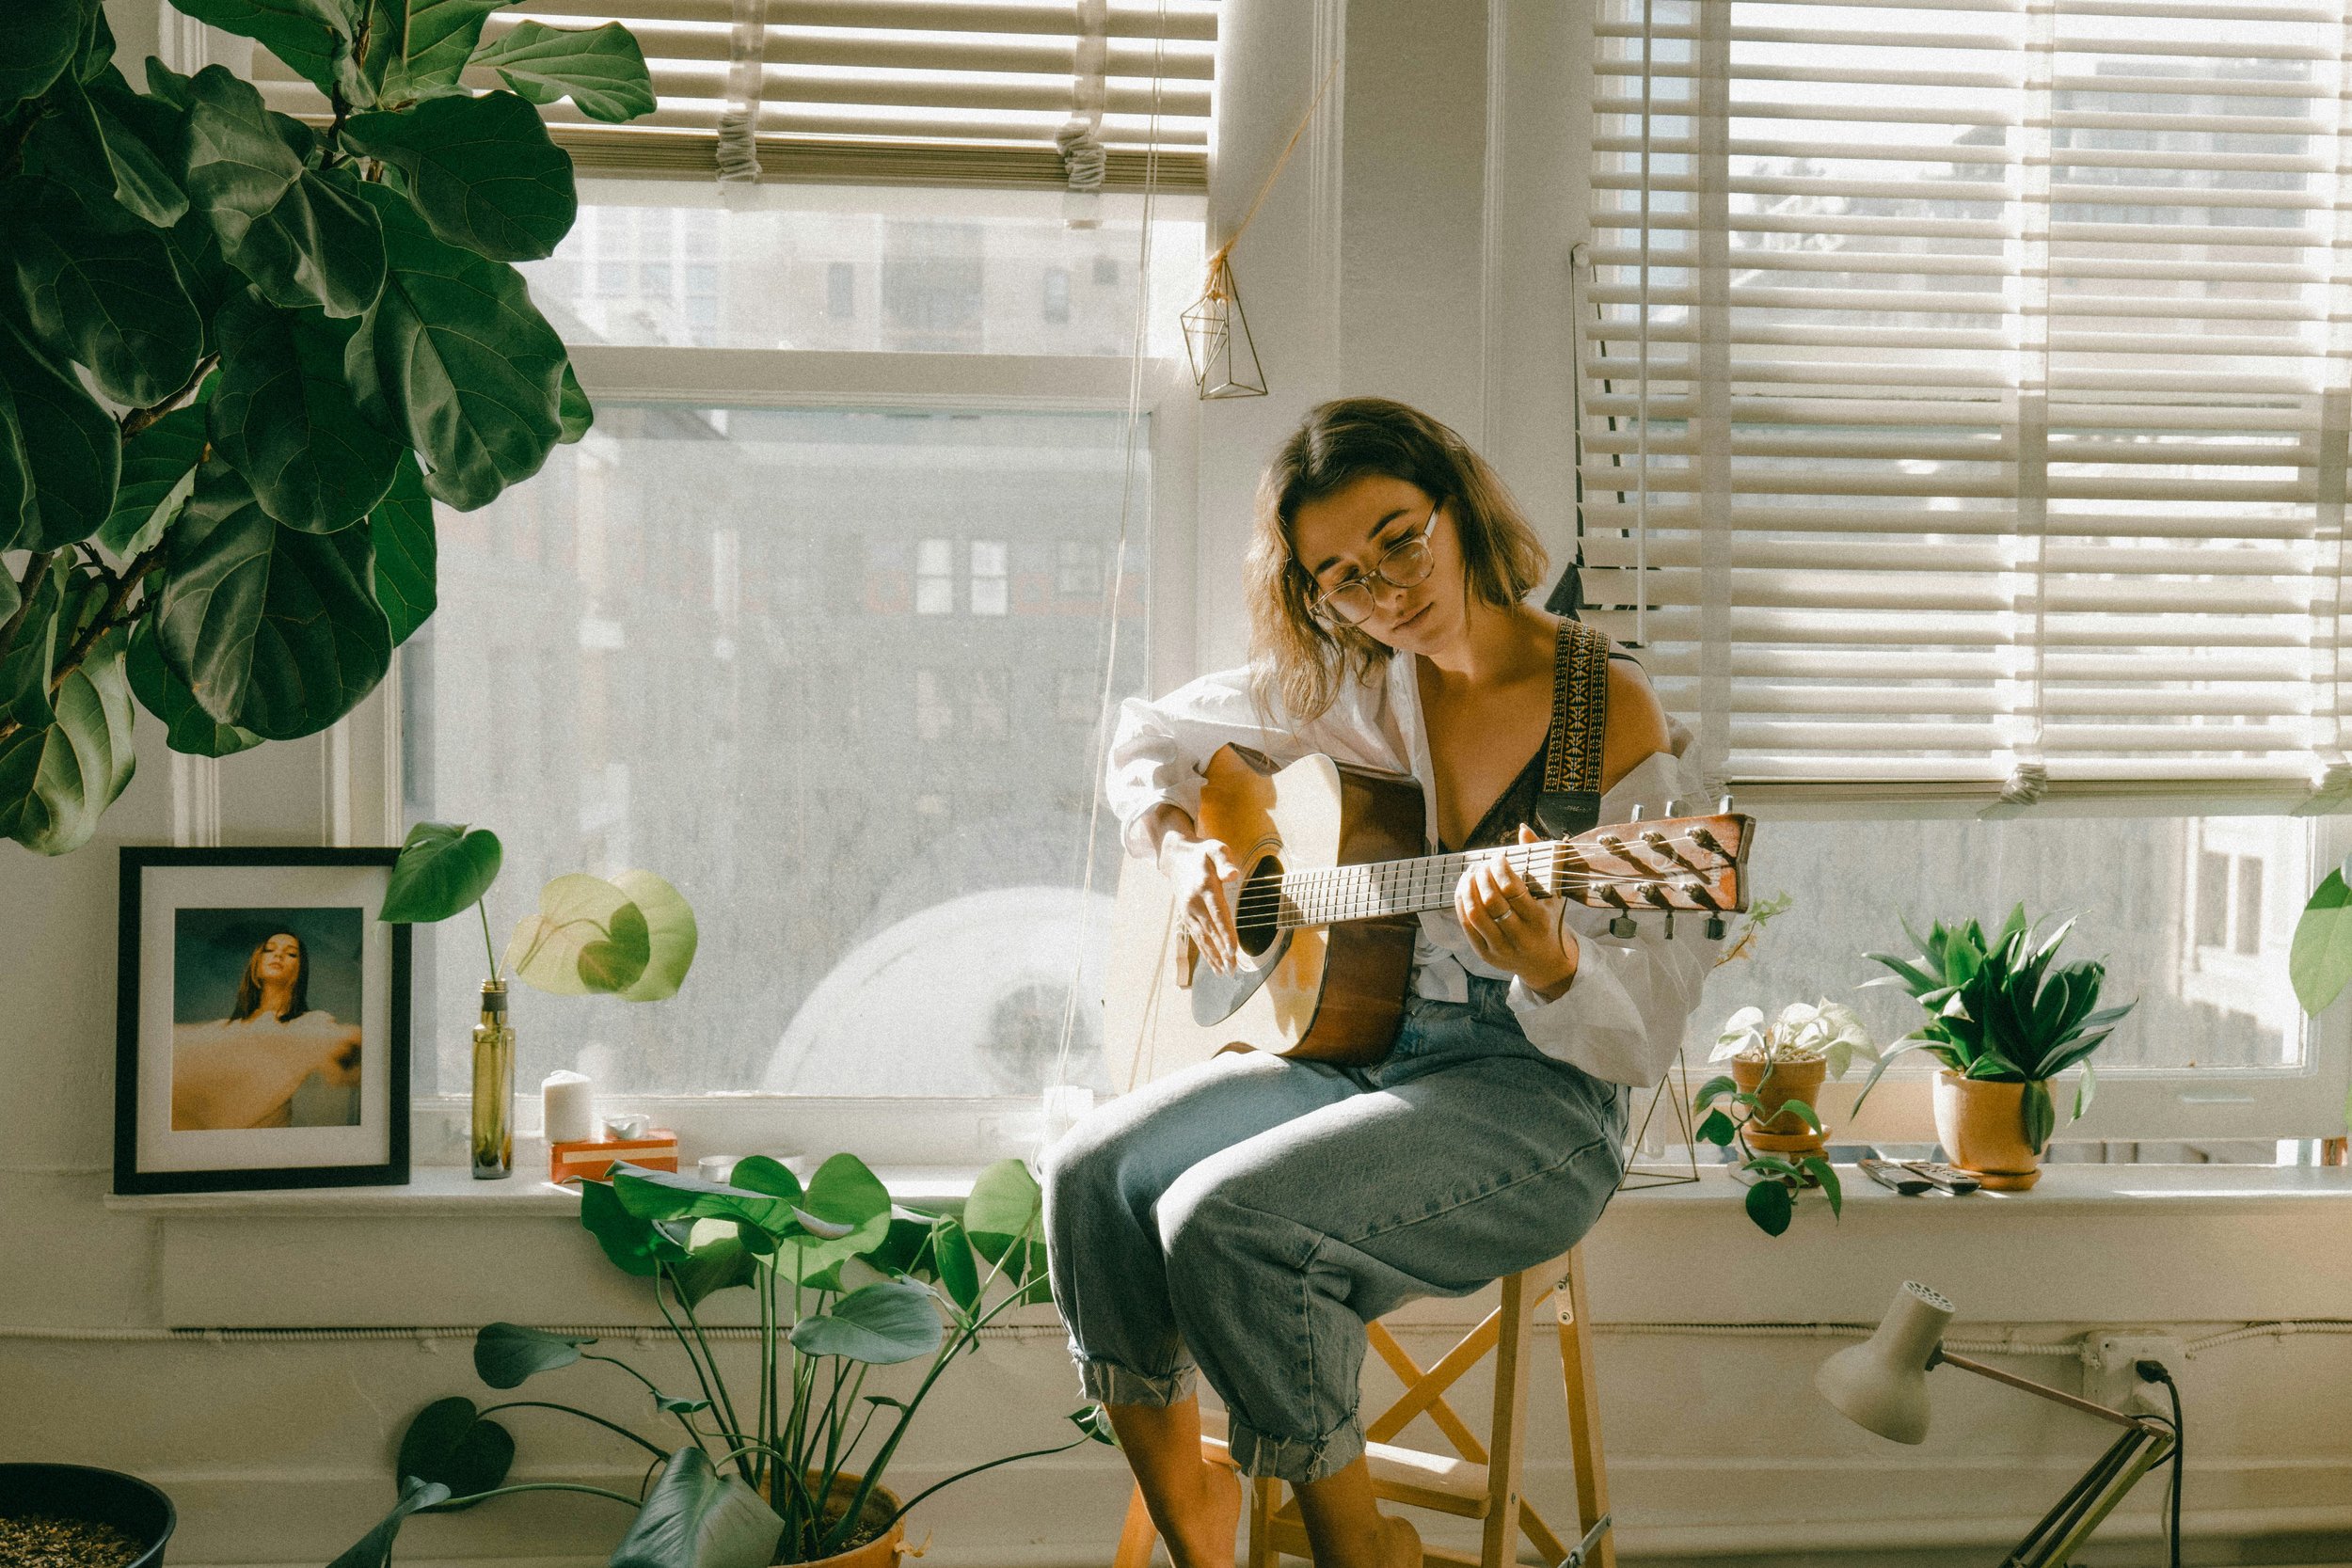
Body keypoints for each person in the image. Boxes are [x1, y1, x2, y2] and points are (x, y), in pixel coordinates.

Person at [1041, 398, 1714, 1568]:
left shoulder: (1603, 711)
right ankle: (1199, 1522)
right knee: (1090, 1171)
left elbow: (1637, 1043)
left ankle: (1362, 1550)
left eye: (1400, 539)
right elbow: (1150, 729)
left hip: (1535, 1102)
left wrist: (1552, 963)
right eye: (1340, 577)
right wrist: (1179, 845)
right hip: (1361, 1053)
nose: (1385, 590)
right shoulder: (1361, 690)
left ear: (1458, 508)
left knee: (1223, 1220)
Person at [171, 930, 364, 1131]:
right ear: (255, 964)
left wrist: (342, 1047)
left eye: (291, 953)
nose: (278, 955)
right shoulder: (223, 1029)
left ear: (300, 970)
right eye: (269, 950)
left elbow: (335, 1046)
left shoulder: (311, 1022)